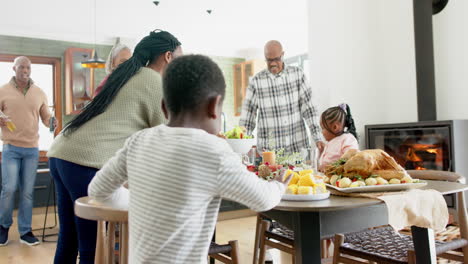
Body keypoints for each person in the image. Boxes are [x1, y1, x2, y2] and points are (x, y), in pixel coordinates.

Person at [88, 54, 292, 263]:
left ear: (164, 107)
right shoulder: (214, 151)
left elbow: (98, 190)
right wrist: (278, 186)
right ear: (214, 106)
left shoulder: (138, 141)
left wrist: (145, 202)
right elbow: (263, 200)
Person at [47, 30, 182, 264]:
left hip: (62, 153)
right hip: (84, 161)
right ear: (168, 56)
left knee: (69, 238)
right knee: (93, 246)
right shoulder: (154, 81)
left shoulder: (126, 73)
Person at [0, 56, 55, 246]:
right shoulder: (3, 91)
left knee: (27, 193)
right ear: (14, 68)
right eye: (22, 67)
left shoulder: (39, 92)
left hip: (32, 148)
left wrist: (51, 122)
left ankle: (25, 232)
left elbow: (46, 117)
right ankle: (3, 227)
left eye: (28, 67)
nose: (25, 70)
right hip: (11, 148)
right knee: (8, 189)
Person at [239, 40, 324, 154]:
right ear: (265, 58)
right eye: (269, 60)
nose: (273, 63)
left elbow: (310, 110)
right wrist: (241, 146)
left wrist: (317, 137)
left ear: (282, 55)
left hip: (298, 148)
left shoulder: (298, 75)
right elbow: (247, 119)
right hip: (270, 153)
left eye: (276, 59)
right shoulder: (256, 82)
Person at [318, 103, 359, 171]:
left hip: (339, 179)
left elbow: (351, 159)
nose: (321, 132)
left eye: (323, 128)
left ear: (335, 127)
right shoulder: (330, 142)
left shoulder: (347, 139)